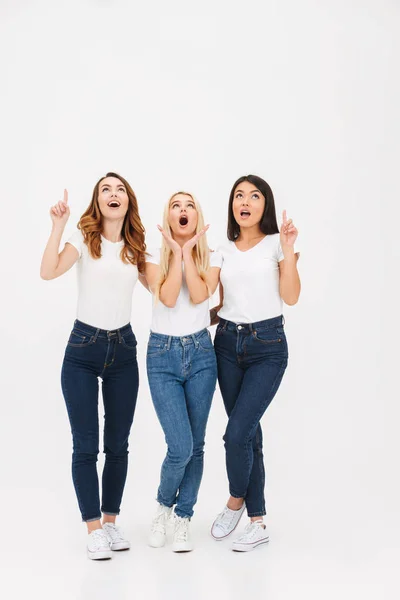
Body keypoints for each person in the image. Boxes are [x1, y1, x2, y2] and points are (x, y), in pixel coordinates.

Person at [40, 173, 147, 560]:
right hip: (83, 350)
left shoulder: (137, 248)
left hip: (124, 350)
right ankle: (93, 528)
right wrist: (58, 226)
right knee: (85, 445)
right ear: (97, 201)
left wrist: (186, 252)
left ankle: (111, 521)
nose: (113, 194)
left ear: (128, 201)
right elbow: (48, 271)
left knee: (117, 444)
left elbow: (167, 291)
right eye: (106, 189)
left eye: (120, 189)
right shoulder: (84, 241)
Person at [210, 174, 300, 552]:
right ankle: (258, 521)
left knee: (236, 433)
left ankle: (235, 499)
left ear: (265, 204)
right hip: (228, 343)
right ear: (233, 205)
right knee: (249, 434)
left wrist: (290, 250)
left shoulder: (277, 245)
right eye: (239, 196)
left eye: (254, 196)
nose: (245, 201)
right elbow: (212, 300)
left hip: (268, 346)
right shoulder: (222, 248)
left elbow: (291, 297)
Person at [145, 192, 221, 552]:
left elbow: (201, 292)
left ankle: (183, 516)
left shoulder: (213, 256)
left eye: (189, 205)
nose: (183, 210)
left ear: (197, 215)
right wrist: (175, 254)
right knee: (181, 446)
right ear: (168, 216)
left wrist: (189, 252)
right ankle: (163, 505)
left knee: (198, 445)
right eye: (176, 205)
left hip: (201, 353)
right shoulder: (150, 258)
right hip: (162, 355)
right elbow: (171, 297)